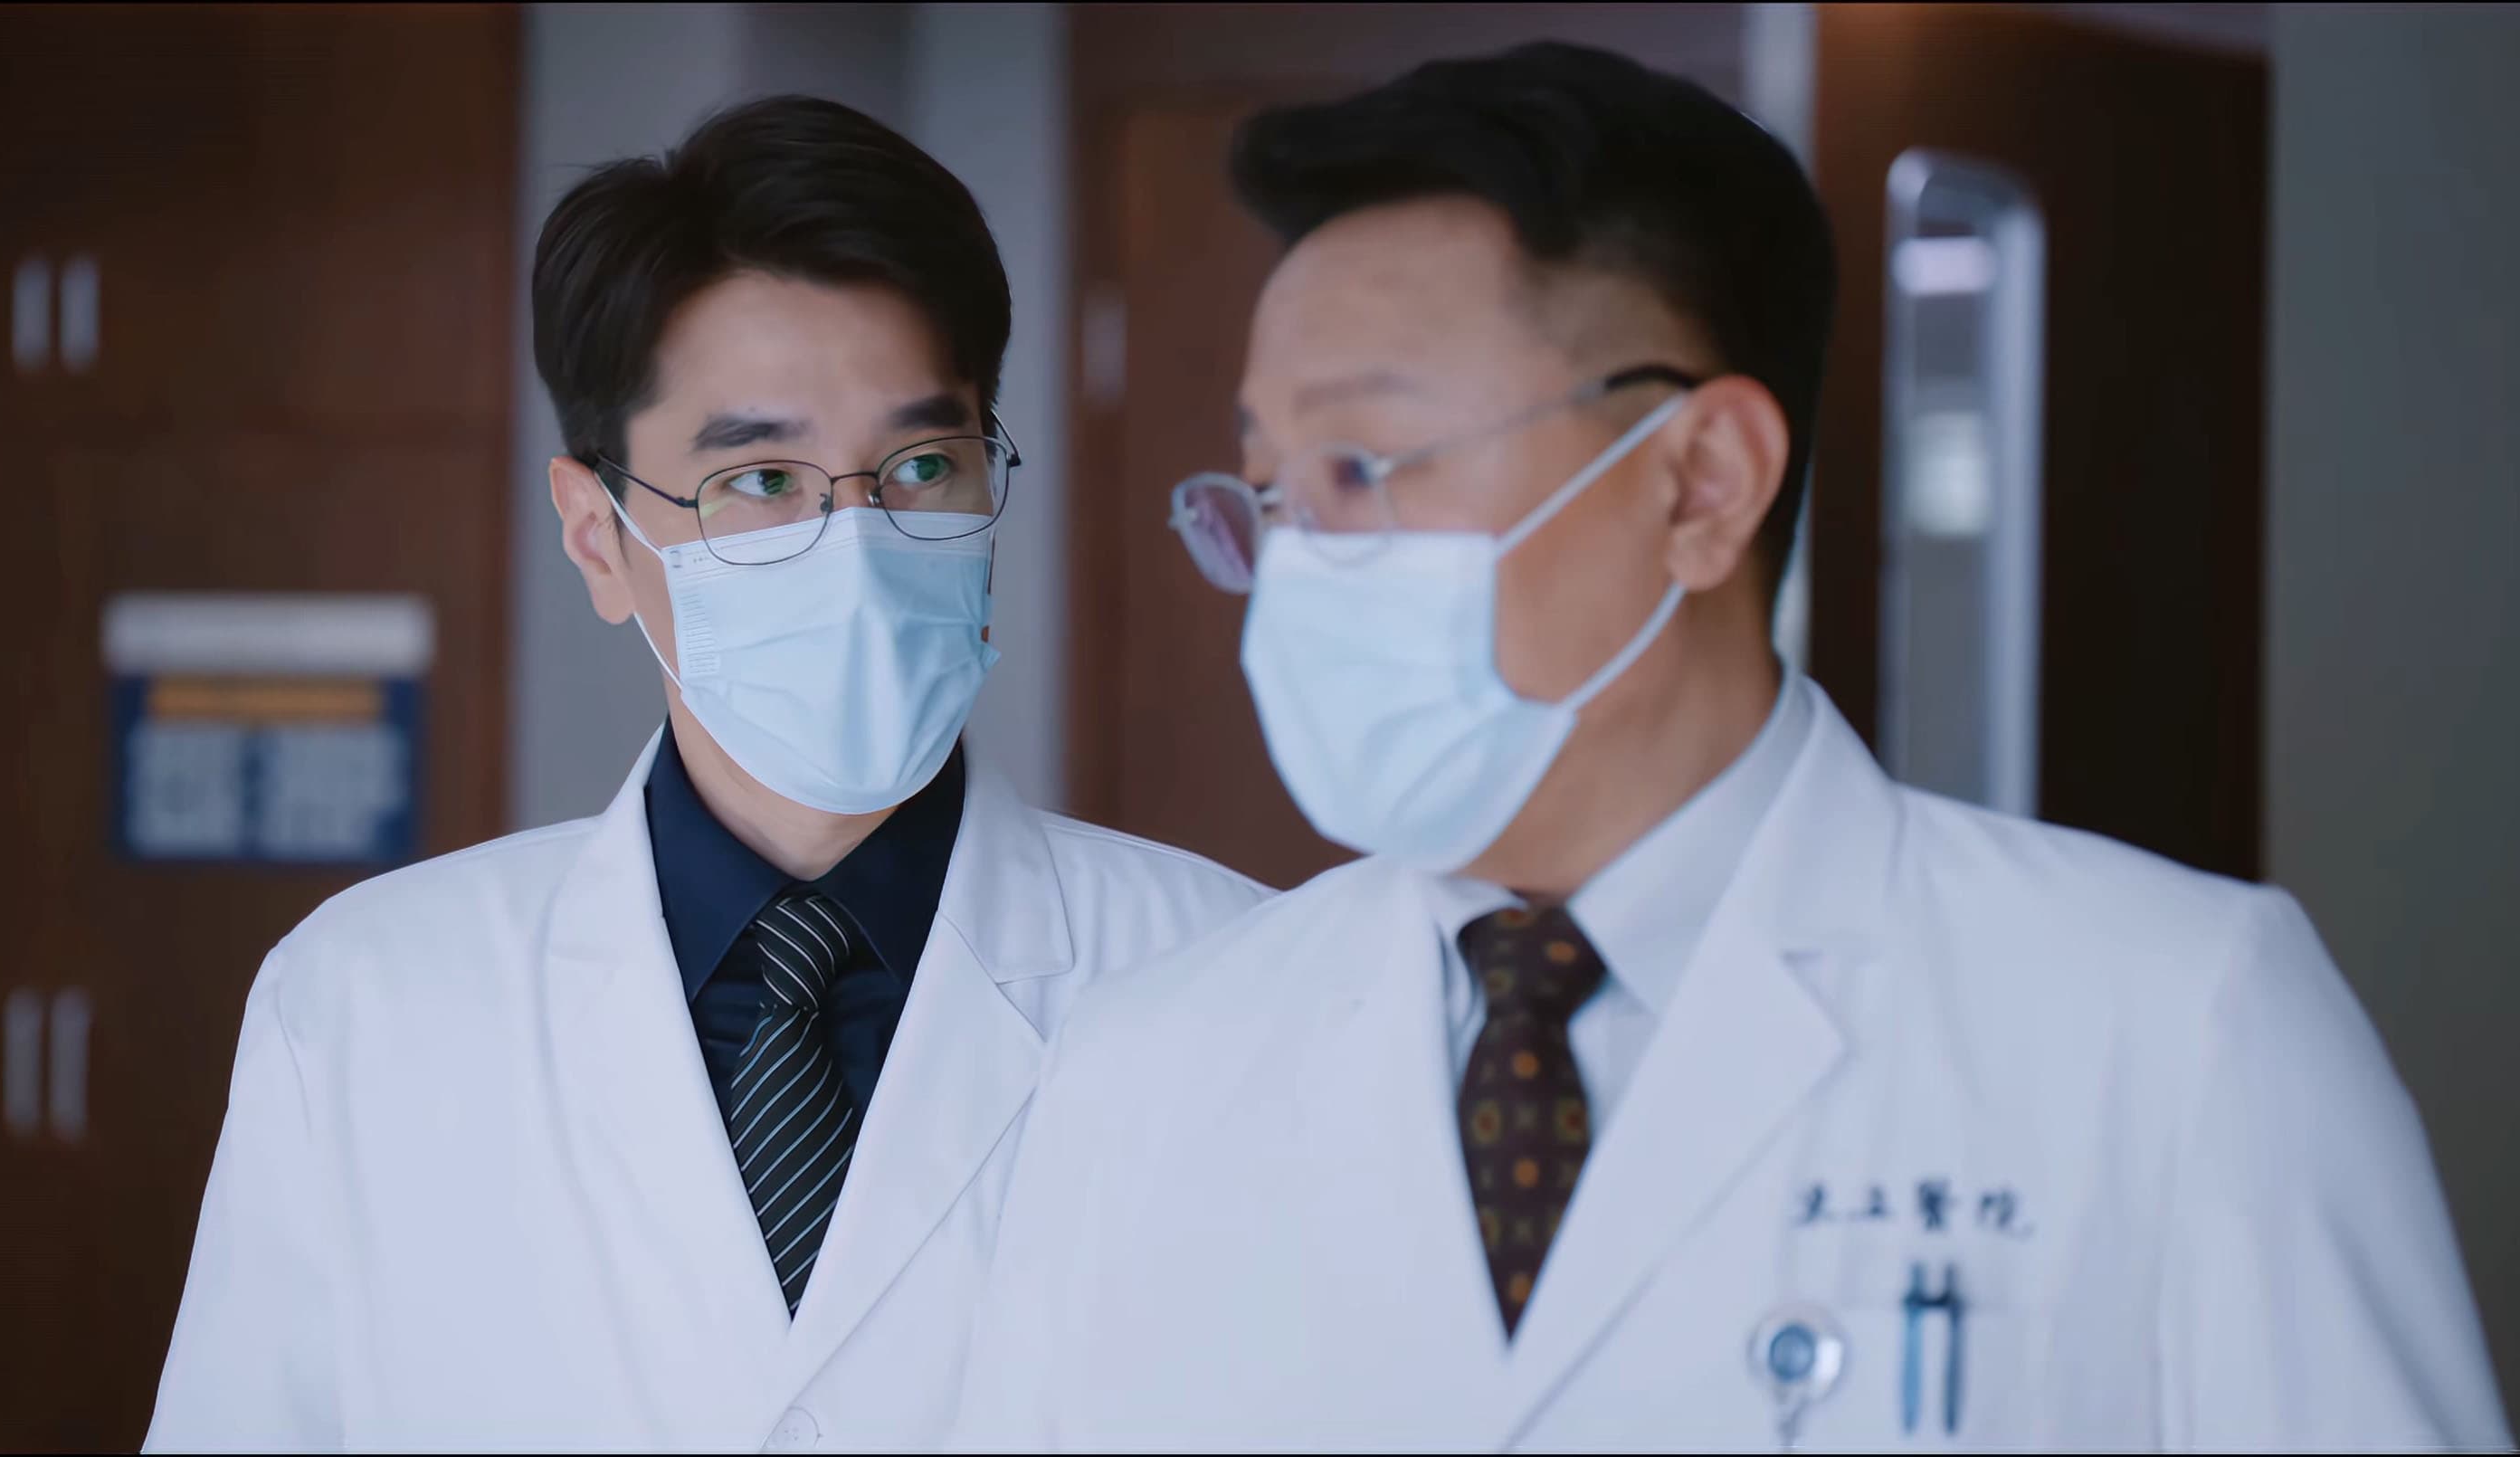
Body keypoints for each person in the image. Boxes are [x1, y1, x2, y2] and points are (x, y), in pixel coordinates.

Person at [948, 43, 2511, 1452]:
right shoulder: (1144, 1070)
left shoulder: (2177, 1025)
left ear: (1700, 480)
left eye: (1361, 466)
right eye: (1269, 494)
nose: (1298, 567)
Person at [144, 95, 1268, 1452]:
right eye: (762, 482)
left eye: (924, 463)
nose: (858, 544)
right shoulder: (362, 1006)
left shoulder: (1241, 983)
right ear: (598, 538)